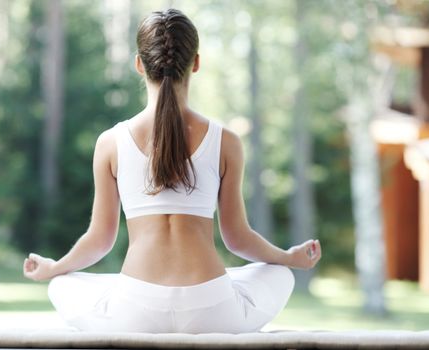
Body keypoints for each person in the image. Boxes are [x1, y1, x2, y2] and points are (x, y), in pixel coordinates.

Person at [23, 8, 321, 334]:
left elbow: (100, 240)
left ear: (139, 64)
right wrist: (288, 257)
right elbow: (237, 239)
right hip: (213, 312)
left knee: (62, 285)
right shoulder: (227, 141)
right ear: (195, 62)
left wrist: (55, 267)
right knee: (279, 274)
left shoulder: (110, 142)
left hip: (134, 312)